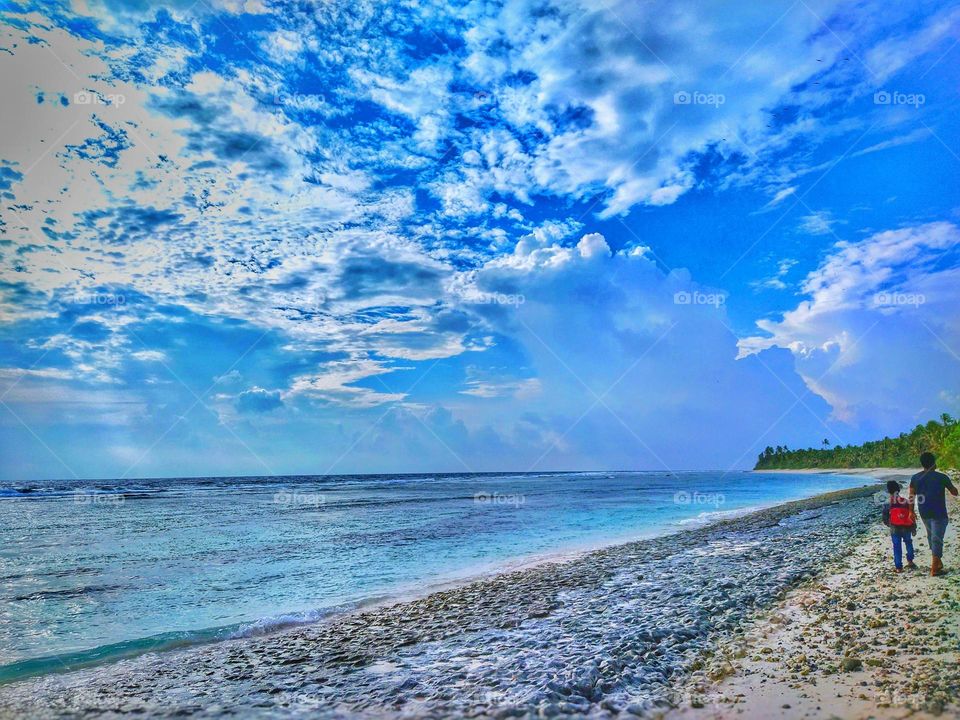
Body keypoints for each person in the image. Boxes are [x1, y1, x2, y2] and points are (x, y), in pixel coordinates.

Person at [909, 452, 959, 577]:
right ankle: (934, 569)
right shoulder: (942, 477)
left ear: (922, 464)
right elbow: (954, 492)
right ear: (934, 463)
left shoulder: (915, 478)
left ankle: (938, 563)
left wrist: (911, 511)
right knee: (937, 539)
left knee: (932, 536)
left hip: (924, 512)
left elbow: (911, 496)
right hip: (939, 512)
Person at [882, 480, 916, 572]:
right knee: (908, 542)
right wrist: (914, 527)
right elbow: (911, 515)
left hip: (894, 527)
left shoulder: (887, 503)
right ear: (898, 490)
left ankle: (898, 567)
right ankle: (910, 561)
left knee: (897, 546)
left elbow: (885, 517)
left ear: (888, 491)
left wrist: (889, 524)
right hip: (907, 527)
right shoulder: (905, 501)